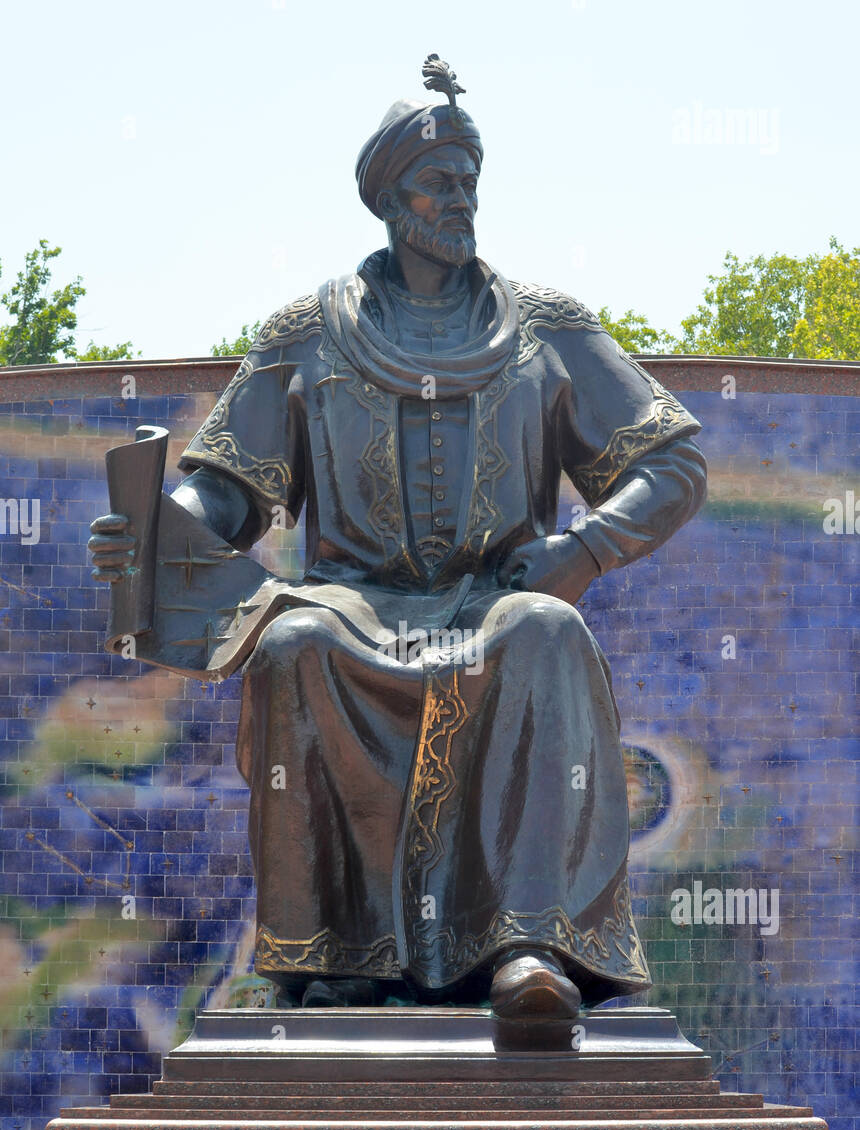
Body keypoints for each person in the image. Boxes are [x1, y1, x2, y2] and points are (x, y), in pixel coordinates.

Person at [90, 57, 706, 1023]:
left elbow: (672, 465)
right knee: (293, 646)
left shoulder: (547, 327)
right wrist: (154, 531)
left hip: (494, 600)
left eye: (470, 182)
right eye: (439, 182)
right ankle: (328, 958)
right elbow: (228, 495)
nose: (461, 200)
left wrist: (583, 550)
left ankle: (530, 952)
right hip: (350, 605)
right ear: (387, 197)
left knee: (546, 633)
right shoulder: (306, 333)